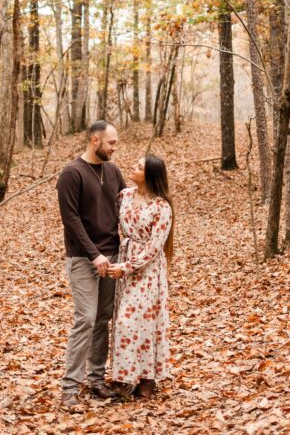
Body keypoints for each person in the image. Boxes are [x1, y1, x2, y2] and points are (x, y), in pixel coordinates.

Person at [57, 120, 125, 412]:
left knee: (103, 318)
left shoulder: (113, 171)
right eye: (111, 142)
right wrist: (94, 255)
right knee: (85, 318)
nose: (115, 147)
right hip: (83, 259)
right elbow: (71, 220)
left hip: (112, 256)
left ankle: (96, 380)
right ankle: (69, 389)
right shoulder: (72, 174)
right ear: (95, 140)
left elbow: (125, 207)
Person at [107, 154, 174, 399]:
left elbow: (155, 247)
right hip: (123, 261)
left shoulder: (161, 207)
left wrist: (127, 266)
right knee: (124, 322)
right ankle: (126, 377)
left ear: (151, 175)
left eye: (139, 166)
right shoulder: (124, 196)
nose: (132, 168)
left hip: (147, 271)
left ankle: (148, 377)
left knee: (140, 322)